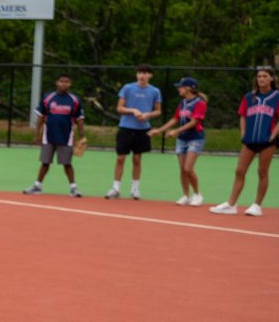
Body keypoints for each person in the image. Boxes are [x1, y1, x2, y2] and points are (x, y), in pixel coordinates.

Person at [211, 65, 277, 216]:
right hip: (250, 140)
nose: (261, 79)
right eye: (259, 76)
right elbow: (243, 116)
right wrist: (243, 133)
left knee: (262, 172)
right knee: (239, 171)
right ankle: (231, 204)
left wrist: (273, 134)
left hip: (267, 141)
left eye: (265, 76)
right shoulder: (249, 97)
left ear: (272, 78)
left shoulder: (276, 96)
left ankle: (257, 205)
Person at [24, 73, 86, 196]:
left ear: (70, 84)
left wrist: (81, 136)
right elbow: (40, 117)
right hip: (48, 136)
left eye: (67, 82)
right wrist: (37, 135)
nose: (64, 84)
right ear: (57, 82)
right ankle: (37, 186)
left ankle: (73, 188)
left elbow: (79, 119)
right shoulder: (48, 97)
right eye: (61, 81)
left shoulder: (74, 100)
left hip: (66, 136)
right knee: (45, 162)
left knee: (67, 163)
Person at [107, 64, 162, 200]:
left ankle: (135, 189)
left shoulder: (155, 91)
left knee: (137, 159)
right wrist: (133, 110)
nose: (142, 75)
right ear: (137, 74)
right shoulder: (127, 88)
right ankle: (115, 188)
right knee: (120, 158)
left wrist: (147, 115)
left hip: (143, 129)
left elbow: (158, 111)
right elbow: (119, 108)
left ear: (150, 75)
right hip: (126, 127)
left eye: (145, 73)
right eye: (140, 73)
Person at [153, 77, 206, 206]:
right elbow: (175, 119)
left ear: (188, 88)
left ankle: (197, 194)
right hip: (182, 139)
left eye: (180, 87)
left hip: (195, 138)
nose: (178, 89)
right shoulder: (182, 102)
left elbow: (194, 122)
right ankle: (186, 196)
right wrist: (160, 130)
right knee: (182, 169)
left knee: (188, 168)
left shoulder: (200, 103)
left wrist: (176, 131)